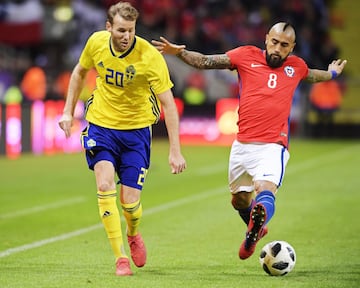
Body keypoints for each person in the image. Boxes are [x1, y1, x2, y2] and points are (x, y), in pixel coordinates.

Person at [152, 22, 347, 260]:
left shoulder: (296, 66)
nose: (277, 48)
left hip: (273, 146)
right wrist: (180, 52)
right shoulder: (245, 56)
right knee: (239, 200)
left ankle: (259, 217)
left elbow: (315, 76)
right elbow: (205, 61)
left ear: (292, 47)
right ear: (266, 39)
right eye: (274, 42)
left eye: (284, 45)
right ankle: (256, 229)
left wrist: (333, 73)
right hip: (242, 145)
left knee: (265, 191)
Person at [58, 1, 186, 276]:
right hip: (101, 125)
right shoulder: (96, 43)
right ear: (108, 28)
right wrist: (68, 111)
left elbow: (169, 105)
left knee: (130, 204)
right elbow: (80, 71)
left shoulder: (150, 57)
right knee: (104, 185)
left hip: (136, 132)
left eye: (130, 30)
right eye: (120, 30)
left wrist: (175, 150)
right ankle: (120, 259)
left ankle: (133, 232)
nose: (126, 36)